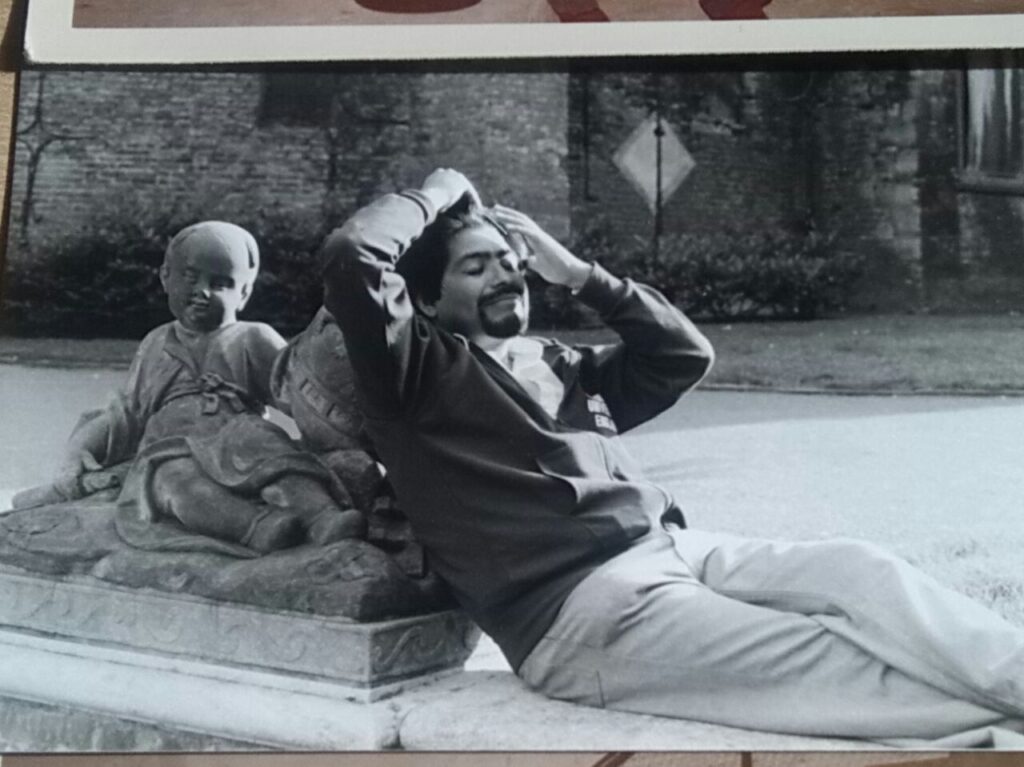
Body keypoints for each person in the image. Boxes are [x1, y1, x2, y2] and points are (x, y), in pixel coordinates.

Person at [322, 168, 1024, 746]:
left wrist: (582, 275)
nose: (505, 275)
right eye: (476, 268)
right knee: (824, 658)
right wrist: (442, 190)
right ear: (427, 301)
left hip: (674, 549)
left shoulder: (561, 364)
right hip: (581, 612)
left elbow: (682, 355)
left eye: (510, 261)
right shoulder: (415, 375)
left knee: (859, 570)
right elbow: (354, 257)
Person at [30, 221, 364, 554]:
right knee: (175, 485)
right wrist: (77, 451)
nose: (203, 291)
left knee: (273, 456)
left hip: (236, 430)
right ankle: (256, 527)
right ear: (166, 277)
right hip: (168, 448)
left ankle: (322, 517)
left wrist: (338, 432)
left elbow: (295, 393)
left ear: (244, 293)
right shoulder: (155, 344)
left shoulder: (251, 338)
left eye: (220, 284)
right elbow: (126, 414)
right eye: (191, 278)